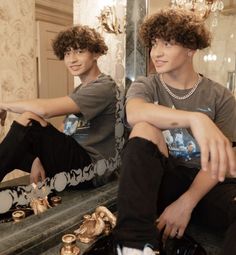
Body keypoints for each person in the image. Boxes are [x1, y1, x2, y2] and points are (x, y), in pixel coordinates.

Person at [113, 8, 236, 255]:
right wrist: (195, 119)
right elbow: (134, 113)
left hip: (206, 184)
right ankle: (134, 247)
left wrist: (186, 203)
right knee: (145, 126)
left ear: (191, 48)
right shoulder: (145, 85)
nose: (156, 53)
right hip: (162, 179)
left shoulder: (219, 95)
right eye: (154, 44)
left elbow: (226, 156)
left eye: (167, 44)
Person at [0, 25, 118, 187]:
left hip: (94, 169)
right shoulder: (80, 90)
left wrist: (4, 105)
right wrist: (36, 160)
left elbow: (45, 110)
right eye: (67, 53)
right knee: (21, 137)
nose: (72, 59)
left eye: (79, 51)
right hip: (78, 160)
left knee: (28, 119)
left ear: (96, 53)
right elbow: (65, 131)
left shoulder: (104, 87)